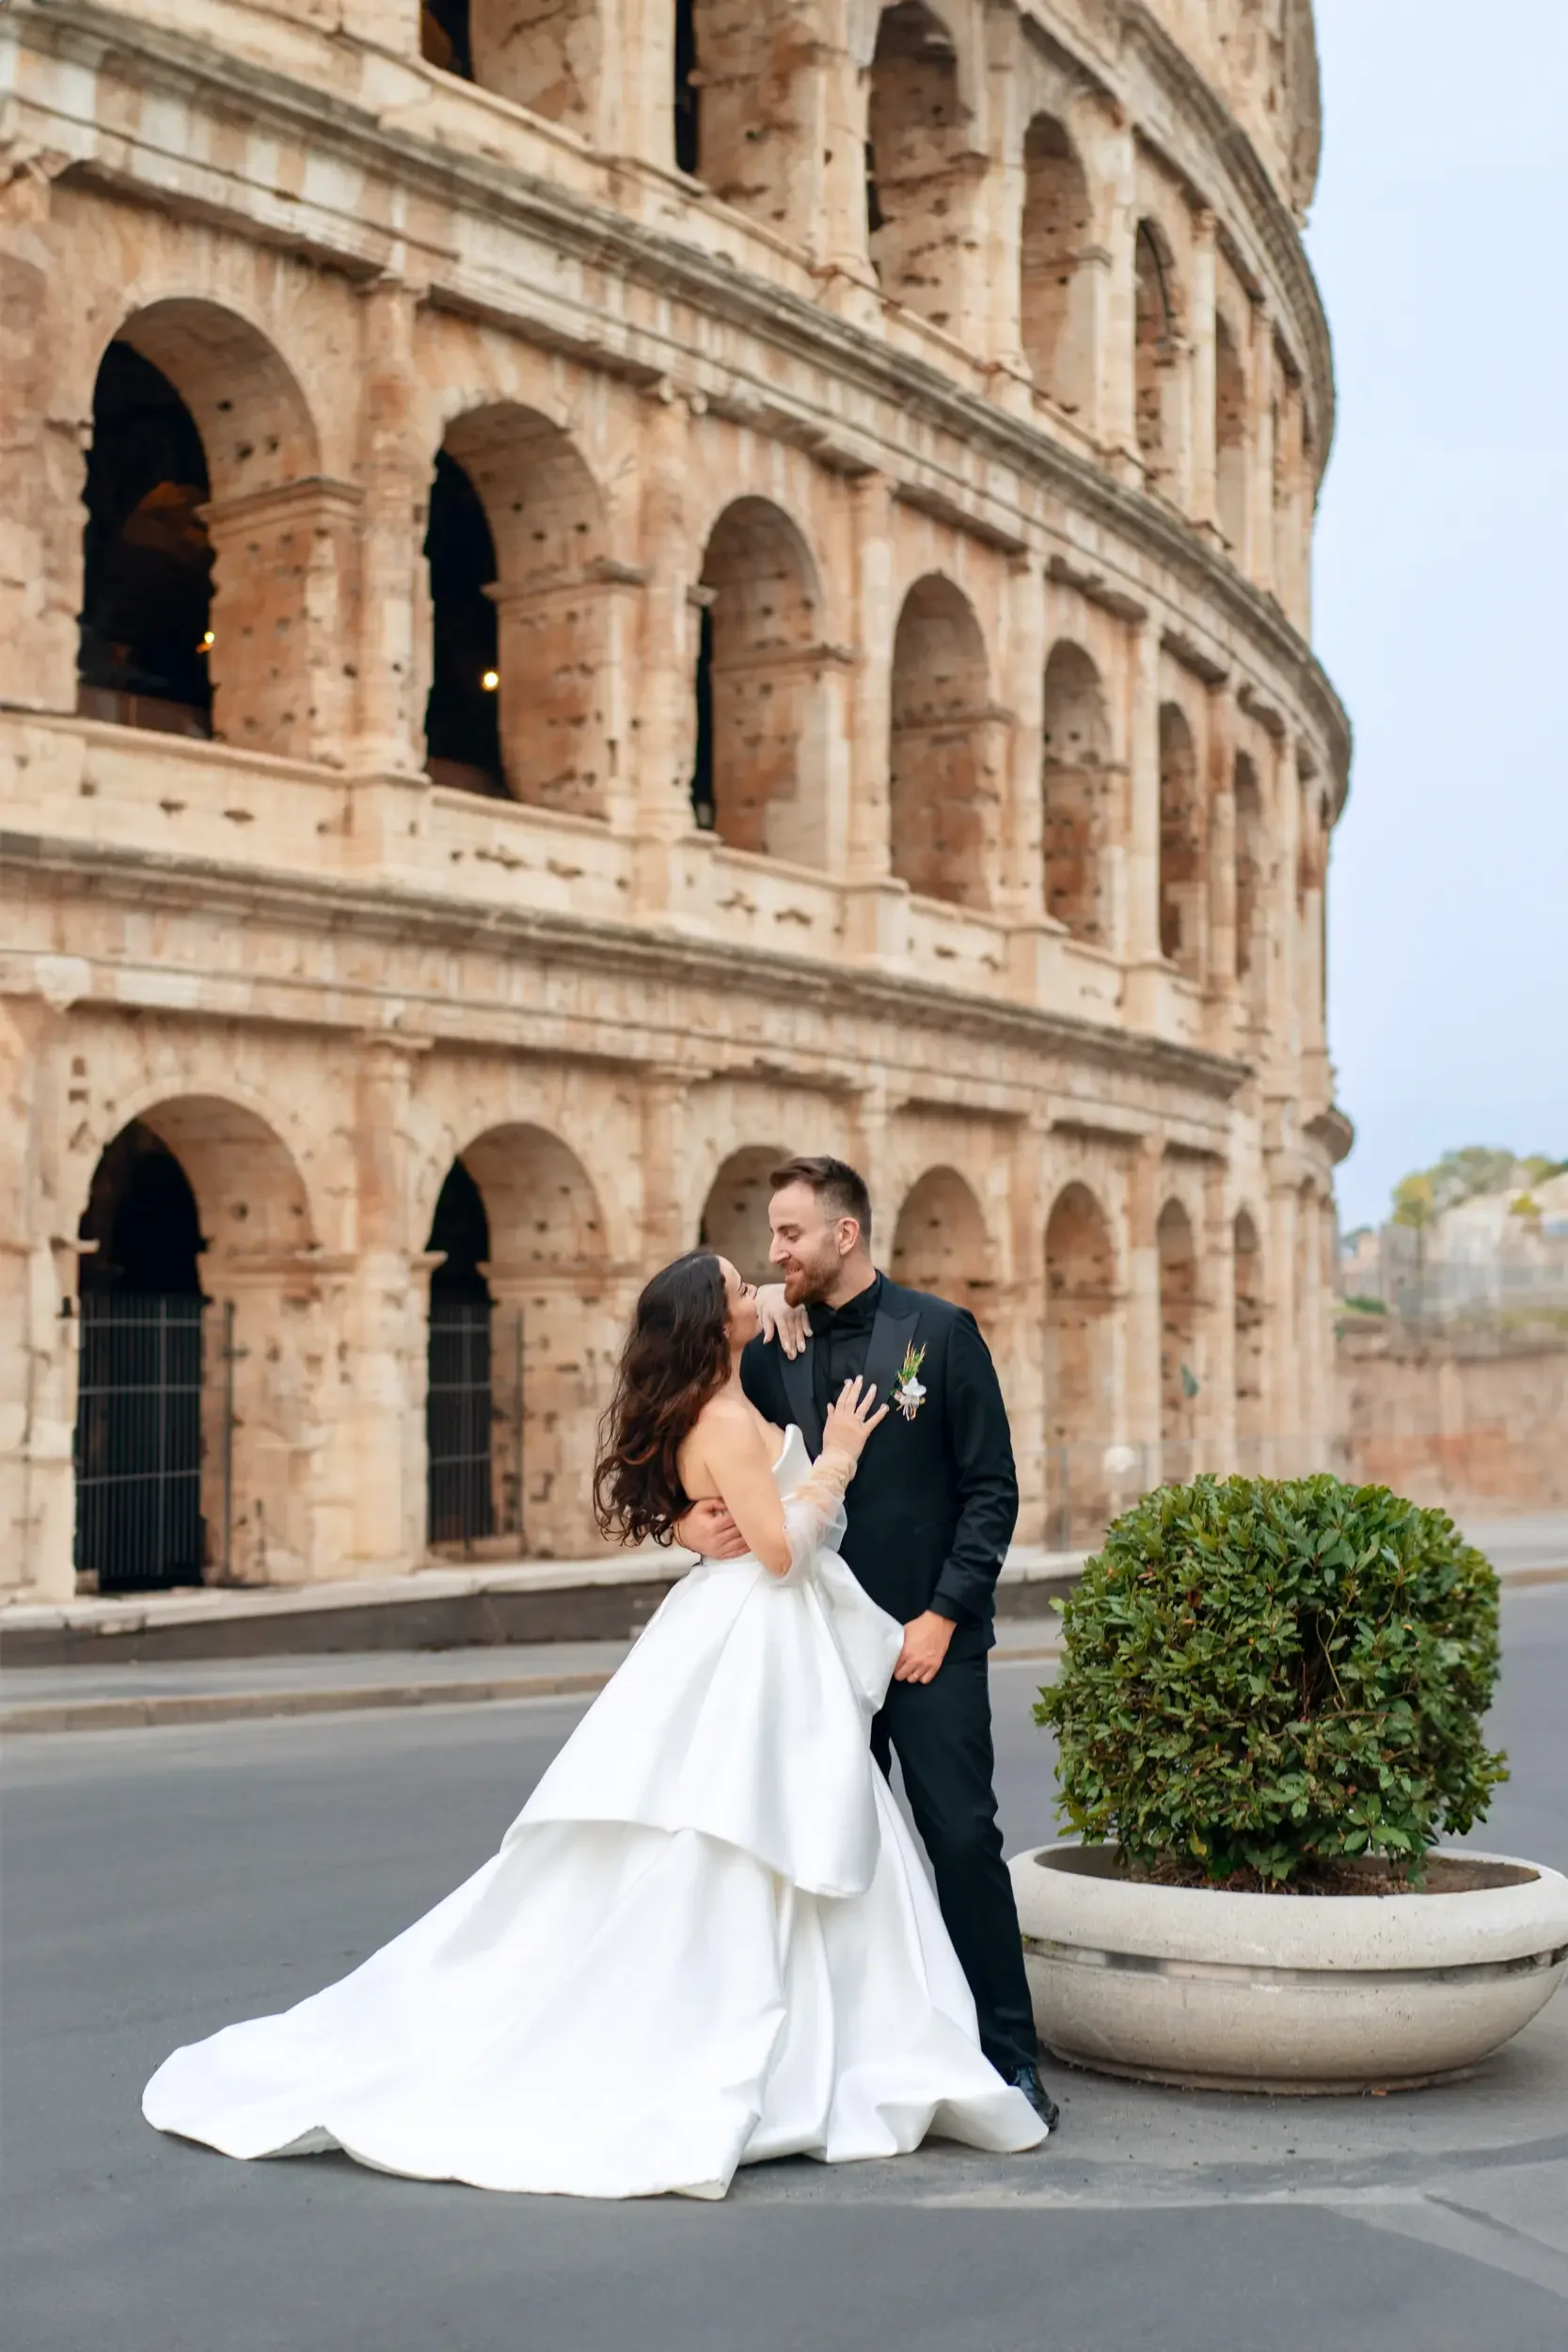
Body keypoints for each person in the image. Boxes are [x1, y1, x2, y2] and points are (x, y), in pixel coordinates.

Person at [142, 1250, 1047, 2200]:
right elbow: (779, 1553)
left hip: (744, 1630)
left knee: (768, 1830)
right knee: (761, 1826)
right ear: (711, 1321)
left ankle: (829, 2033)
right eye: (743, 1285)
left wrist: (711, 1487)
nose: (760, 1288)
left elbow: (751, 1382)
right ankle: (802, 2040)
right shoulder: (731, 1418)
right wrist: (833, 1462)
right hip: (761, 1629)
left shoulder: (727, 1385)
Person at [676, 1156, 1058, 2132]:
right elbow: (677, 1456)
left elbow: (990, 1490)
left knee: (960, 1840)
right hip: (809, 1648)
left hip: (924, 1642)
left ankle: (1007, 2054)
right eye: (768, 1237)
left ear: (844, 1235)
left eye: (790, 1234)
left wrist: (942, 1615)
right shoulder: (766, 1348)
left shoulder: (937, 1331)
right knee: (819, 1856)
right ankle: (837, 2059)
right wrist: (684, 1528)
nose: (774, 1253)